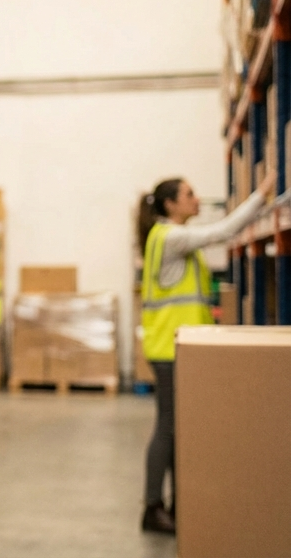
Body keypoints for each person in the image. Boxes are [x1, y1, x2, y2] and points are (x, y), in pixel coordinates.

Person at [136, 175, 273, 535]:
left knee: (176, 427)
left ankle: (177, 504)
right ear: (170, 205)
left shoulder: (164, 238)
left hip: (174, 345)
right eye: (189, 195)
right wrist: (262, 194)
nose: (197, 200)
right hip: (170, 347)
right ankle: (152, 507)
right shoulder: (172, 238)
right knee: (167, 426)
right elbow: (224, 231)